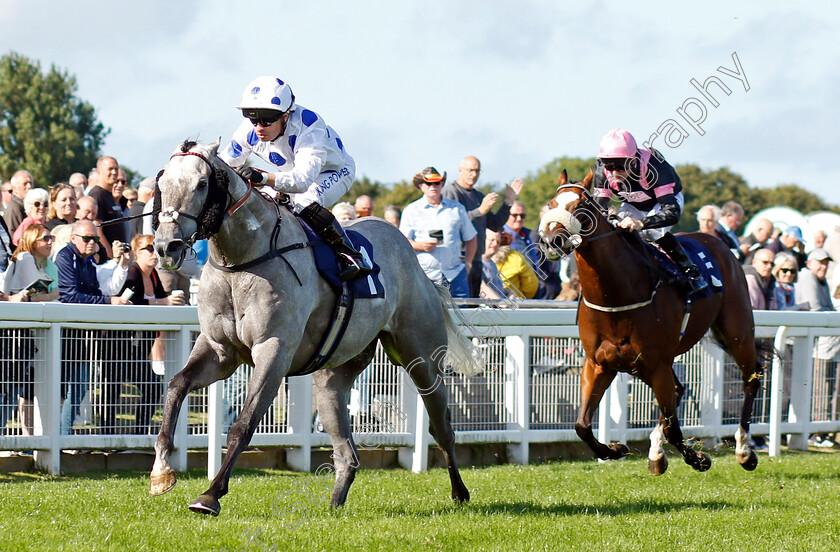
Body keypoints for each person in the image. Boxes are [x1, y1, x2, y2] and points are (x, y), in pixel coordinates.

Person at [219, 75, 371, 281]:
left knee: (303, 200)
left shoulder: (310, 126)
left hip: (332, 172)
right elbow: (223, 166)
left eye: (267, 119)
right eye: (252, 117)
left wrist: (262, 178)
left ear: (287, 116)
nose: (259, 127)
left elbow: (302, 181)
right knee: (260, 202)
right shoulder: (248, 130)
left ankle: (350, 255)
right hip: (290, 174)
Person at [592, 128, 707, 294]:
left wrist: (641, 223)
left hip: (664, 203)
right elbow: (598, 209)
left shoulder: (654, 166)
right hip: (634, 205)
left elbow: (671, 213)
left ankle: (692, 272)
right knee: (617, 232)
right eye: (609, 166)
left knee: (652, 233)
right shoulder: (602, 170)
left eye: (620, 166)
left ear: (633, 160)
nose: (615, 173)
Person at [113, 234, 185, 434]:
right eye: (150, 249)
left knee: (152, 388)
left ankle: (139, 432)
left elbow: (163, 298)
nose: (155, 254)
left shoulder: (153, 275)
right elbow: (129, 301)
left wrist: (175, 302)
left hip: (141, 344)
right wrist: (166, 302)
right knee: (112, 390)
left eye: (156, 249)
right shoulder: (133, 272)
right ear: (137, 253)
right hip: (121, 345)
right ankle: (108, 435)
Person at [442, 155, 523, 297]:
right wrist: (479, 211)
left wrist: (509, 202)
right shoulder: (451, 192)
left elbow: (494, 224)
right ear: (460, 170)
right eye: (470, 170)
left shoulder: (478, 196)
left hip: (477, 260)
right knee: (459, 307)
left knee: (472, 308)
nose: (473, 174)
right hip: (458, 262)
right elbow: (451, 224)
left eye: (477, 171)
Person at [400, 167, 477, 298]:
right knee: (427, 317)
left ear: (442, 184)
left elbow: (471, 237)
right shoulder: (411, 210)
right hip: (425, 275)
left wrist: (468, 264)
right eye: (429, 183)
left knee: (463, 315)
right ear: (421, 185)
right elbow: (402, 242)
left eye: (437, 182)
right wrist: (420, 245)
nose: (433, 186)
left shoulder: (457, 208)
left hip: (456, 274)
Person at [795, 247, 840, 447]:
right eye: (820, 262)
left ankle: (821, 431)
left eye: (825, 263)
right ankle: (816, 433)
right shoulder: (808, 277)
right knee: (820, 387)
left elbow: (827, 307)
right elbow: (817, 309)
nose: (823, 266)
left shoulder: (820, 280)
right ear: (810, 263)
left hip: (822, 343)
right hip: (814, 345)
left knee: (826, 386)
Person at [87, 156, 129, 247]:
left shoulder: (109, 195)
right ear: (99, 171)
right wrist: (109, 254)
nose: (114, 172)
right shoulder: (97, 195)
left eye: (116, 169)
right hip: (108, 258)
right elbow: (97, 229)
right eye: (110, 169)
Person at [490, 233, 539, 299]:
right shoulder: (516, 257)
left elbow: (531, 285)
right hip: (514, 304)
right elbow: (531, 286)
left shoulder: (474, 256)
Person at [529, 202, 562, 299]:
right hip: (545, 284)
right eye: (548, 214)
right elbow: (536, 260)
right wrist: (547, 280)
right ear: (541, 215)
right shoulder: (537, 235)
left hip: (554, 281)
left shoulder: (554, 234)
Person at [2, 170, 34, 234]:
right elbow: (11, 235)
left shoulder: (26, 206)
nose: (29, 186)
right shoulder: (14, 208)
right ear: (14, 189)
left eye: (30, 183)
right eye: (25, 184)